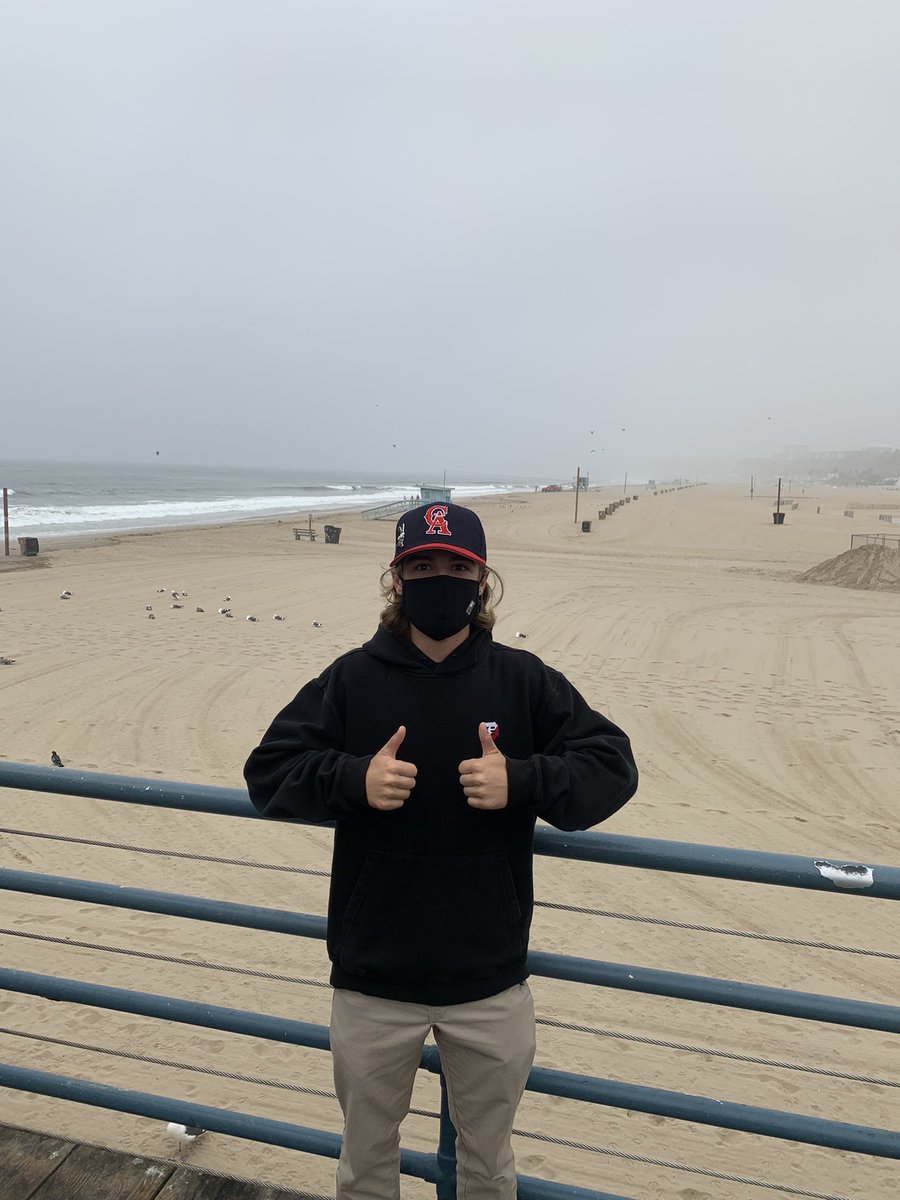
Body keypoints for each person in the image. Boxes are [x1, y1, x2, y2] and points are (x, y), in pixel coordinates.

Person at [243, 501, 638, 1200]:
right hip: (372, 980)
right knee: (366, 1164)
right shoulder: (351, 679)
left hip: (489, 981)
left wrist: (523, 779)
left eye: (455, 566)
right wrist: (350, 778)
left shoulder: (524, 680)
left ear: (481, 581)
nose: (438, 579)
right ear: (397, 581)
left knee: (488, 1167)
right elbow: (268, 772)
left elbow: (612, 766)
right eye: (421, 566)